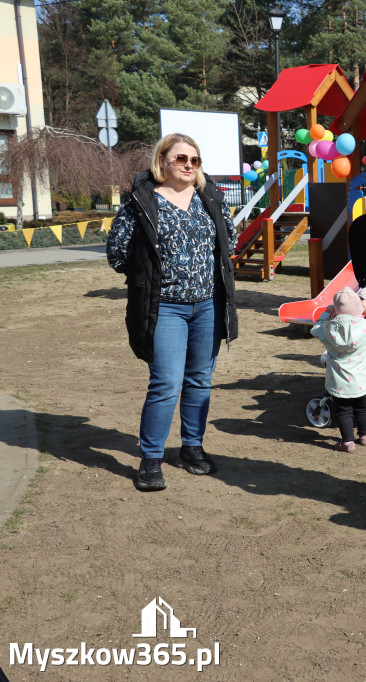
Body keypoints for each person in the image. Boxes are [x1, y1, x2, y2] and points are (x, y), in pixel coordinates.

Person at [107, 133, 238, 492]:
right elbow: (117, 251)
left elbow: (230, 238)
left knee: (199, 381)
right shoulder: (141, 200)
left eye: (194, 160)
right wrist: (147, 276)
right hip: (164, 308)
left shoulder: (209, 196)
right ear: (162, 160)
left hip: (208, 306)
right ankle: (151, 459)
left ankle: (191, 449)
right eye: (181, 158)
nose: (188, 165)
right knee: (165, 383)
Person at [311, 287, 366, 452]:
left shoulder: (328, 329)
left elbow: (315, 328)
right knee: (362, 408)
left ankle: (347, 442)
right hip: (362, 379)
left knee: (344, 412)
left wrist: (327, 312)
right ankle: (365, 435)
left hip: (339, 381)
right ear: (360, 308)